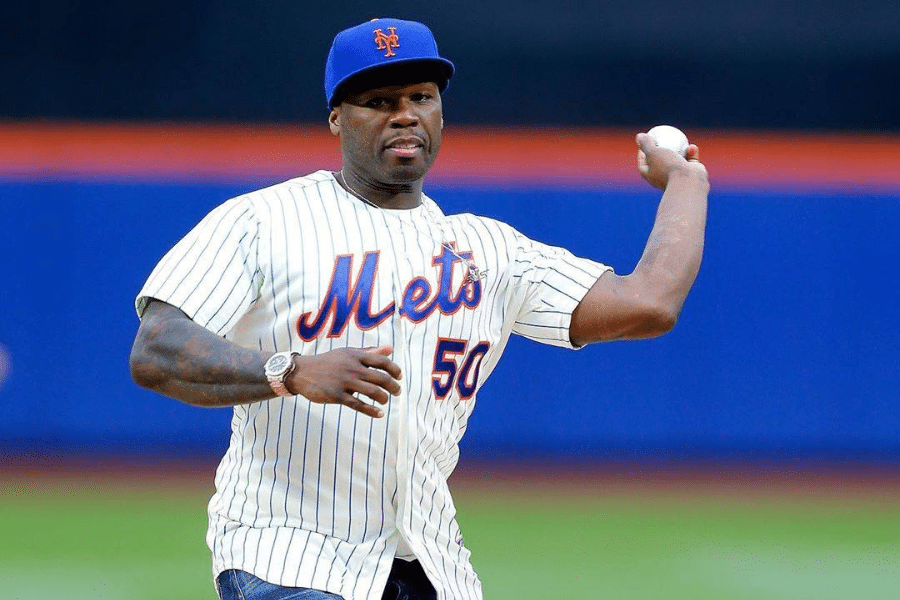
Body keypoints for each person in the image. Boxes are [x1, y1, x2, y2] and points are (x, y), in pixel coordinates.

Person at [129, 17, 709, 600]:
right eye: (377, 100)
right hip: (288, 557)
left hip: (432, 565)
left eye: (420, 97)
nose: (403, 114)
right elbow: (156, 347)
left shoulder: (491, 250)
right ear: (336, 117)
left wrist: (686, 182)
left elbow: (650, 304)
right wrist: (291, 371)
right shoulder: (263, 221)